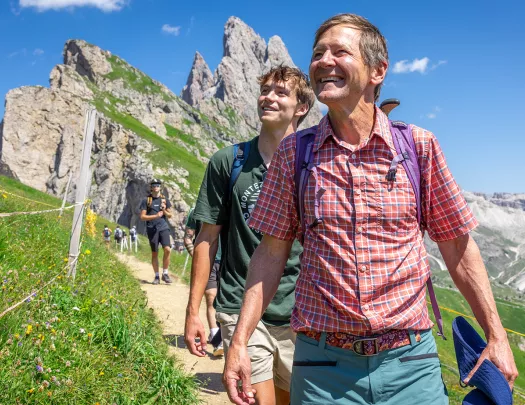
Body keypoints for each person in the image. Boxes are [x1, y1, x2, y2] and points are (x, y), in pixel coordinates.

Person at [224, 13, 518, 405]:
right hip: (322, 369)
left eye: (339, 51)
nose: (323, 61)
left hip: (411, 364)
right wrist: (240, 341)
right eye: (317, 53)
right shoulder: (295, 153)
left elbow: (459, 251)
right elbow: (271, 252)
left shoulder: (418, 146)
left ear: (378, 70)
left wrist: (497, 336)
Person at [184, 66, 315, 405]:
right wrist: (193, 311)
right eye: (265, 90)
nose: (268, 97)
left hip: (298, 315)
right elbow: (206, 239)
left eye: (280, 92)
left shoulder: (314, 165)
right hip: (239, 307)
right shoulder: (229, 162)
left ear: (301, 108)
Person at [184, 206, 224, 356]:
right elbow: (188, 237)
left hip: (228, 260)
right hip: (208, 260)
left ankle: (223, 335)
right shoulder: (195, 211)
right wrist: (198, 258)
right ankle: (216, 338)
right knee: (210, 297)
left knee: (225, 302)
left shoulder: (228, 206)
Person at [139, 179, 173, 285]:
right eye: (154, 185)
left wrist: (164, 210)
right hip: (152, 229)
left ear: (160, 187)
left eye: (158, 185)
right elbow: (142, 217)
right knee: (155, 253)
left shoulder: (165, 200)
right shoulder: (146, 200)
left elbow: (170, 215)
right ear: (151, 187)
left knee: (167, 249)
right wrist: (155, 216)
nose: (156, 187)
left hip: (163, 227)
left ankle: (165, 273)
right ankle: (157, 276)